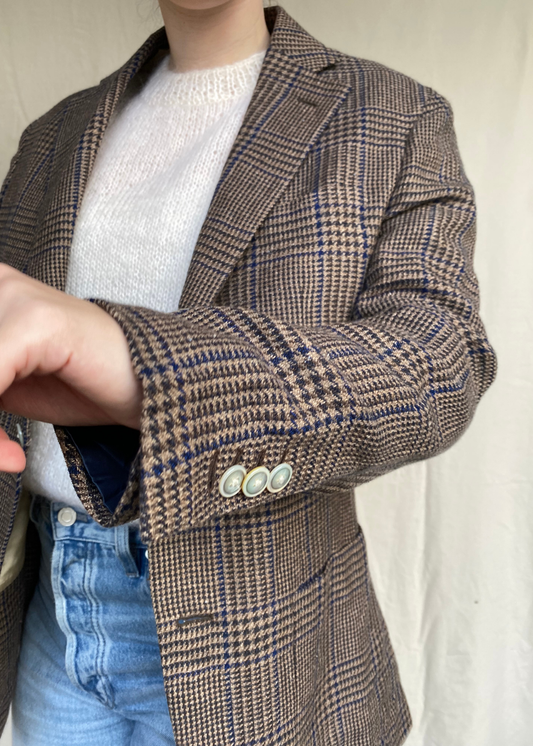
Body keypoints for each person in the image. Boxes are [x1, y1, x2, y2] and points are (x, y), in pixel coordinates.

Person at [0, 1, 497, 744]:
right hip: (47, 605)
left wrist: (139, 362)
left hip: (260, 640)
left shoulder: (394, 116)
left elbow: (440, 362)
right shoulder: (52, 134)